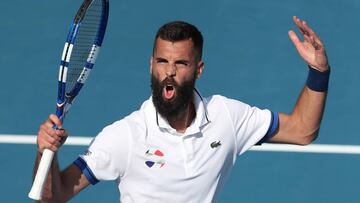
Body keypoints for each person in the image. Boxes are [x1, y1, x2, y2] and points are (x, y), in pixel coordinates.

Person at [33, 16, 330, 203]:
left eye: (180, 63)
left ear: (198, 69)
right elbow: (53, 196)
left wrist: (318, 71)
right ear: (151, 65)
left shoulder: (227, 117)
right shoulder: (125, 136)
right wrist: (45, 152)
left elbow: (302, 130)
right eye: (162, 62)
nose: (169, 72)